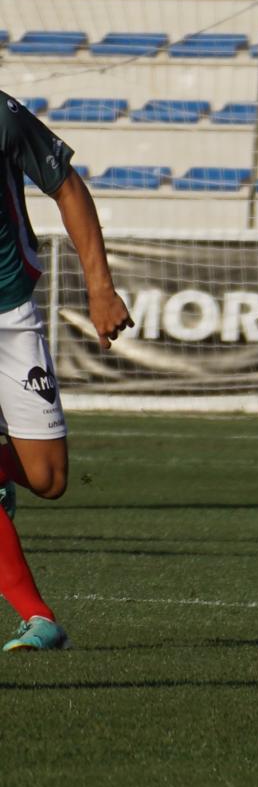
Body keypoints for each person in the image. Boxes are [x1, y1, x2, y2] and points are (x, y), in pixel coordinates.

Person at [0, 92, 133, 651]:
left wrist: (99, 288)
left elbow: (67, 187)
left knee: (49, 479)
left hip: (10, 312)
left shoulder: (2, 116)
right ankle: (39, 619)